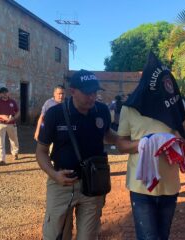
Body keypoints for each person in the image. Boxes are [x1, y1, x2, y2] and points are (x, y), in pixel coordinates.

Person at [116, 52, 185, 240]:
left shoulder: (177, 105)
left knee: (162, 236)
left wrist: (175, 143)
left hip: (170, 185)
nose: (167, 86)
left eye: (168, 82)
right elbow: (121, 144)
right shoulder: (130, 107)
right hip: (141, 186)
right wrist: (146, 144)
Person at [36, 69, 117, 240]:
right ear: (72, 91)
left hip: (93, 185)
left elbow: (109, 135)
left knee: (88, 237)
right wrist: (54, 175)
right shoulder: (54, 114)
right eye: (87, 93)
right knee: (55, 236)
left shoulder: (101, 110)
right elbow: (41, 151)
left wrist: (140, 144)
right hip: (61, 184)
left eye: (95, 92)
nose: (92, 97)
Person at [0, 87, 20, 166]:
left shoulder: (12, 102)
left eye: (6, 92)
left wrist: (14, 118)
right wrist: (2, 116)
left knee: (14, 140)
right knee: (0, 142)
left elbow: (18, 112)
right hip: (0, 124)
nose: (5, 94)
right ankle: (1, 159)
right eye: (3, 93)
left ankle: (15, 153)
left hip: (11, 123)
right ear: (0, 94)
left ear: (8, 93)